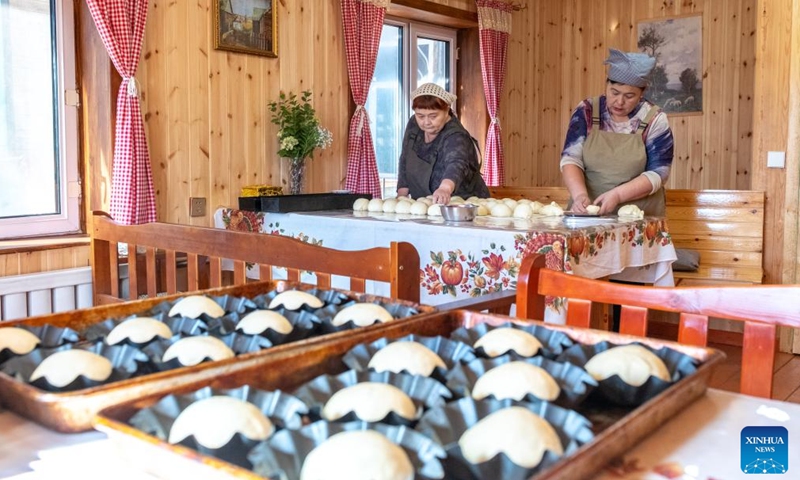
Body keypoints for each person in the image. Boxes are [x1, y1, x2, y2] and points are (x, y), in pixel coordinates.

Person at [560, 48, 674, 216]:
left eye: (629, 96)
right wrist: (580, 195)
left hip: (640, 216)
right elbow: (571, 158)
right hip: (589, 211)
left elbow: (659, 174)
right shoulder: (587, 111)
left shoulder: (654, 119)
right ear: (607, 85)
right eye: (614, 93)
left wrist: (618, 194)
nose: (619, 102)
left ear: (642, 93)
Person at [396, 83, 490, 204]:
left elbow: (456, 163)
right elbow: (405, 158)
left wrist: (445, 188)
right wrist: (401, 196)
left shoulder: (456, 135)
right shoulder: (413, 124)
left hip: (462, 204)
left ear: (446, 111)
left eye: (433, 116)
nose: (426, 122)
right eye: (420, 116)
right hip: (426, 202)